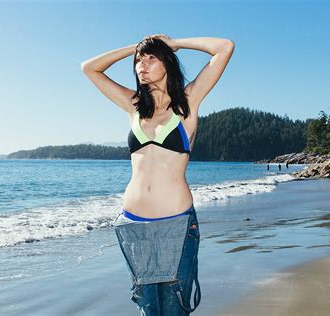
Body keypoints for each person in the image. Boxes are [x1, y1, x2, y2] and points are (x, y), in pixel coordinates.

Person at [81, 34, 234, 315]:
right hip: (133, 224)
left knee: (175, 308)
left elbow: (224, 47)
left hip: (176, 222)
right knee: (148, 309)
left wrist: (173, 43)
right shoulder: (134, 105)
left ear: (168, 63)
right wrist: (135, 48)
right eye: (139, 61)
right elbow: (89, 67)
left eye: (152, 58)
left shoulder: (186, 102)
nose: (142, 64)